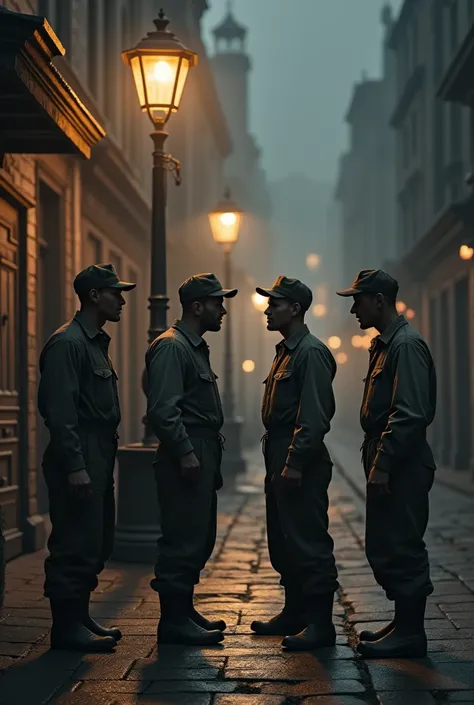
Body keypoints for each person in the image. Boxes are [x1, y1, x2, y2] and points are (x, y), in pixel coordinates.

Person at [337, 269, 436, 658]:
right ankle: (403, 622)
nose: (353, 309)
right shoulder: (386, 344)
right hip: (389, 456)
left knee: (402, 544)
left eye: (357, 300)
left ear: (379, 299)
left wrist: (384, 463)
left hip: (403, 462)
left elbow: (409, 412)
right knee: (386, 543)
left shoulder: (405, 345)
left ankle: (411, 633)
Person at [38, 263, 136, 652]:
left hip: (97, 451)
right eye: (116, 292)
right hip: (78, 452)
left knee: (96, 541)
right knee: (74, 542)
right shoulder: (69, 343)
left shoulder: (93, 341)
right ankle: (65, 628)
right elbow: (60, 413)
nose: (122, 300)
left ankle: (79, 616)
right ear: (95, 295)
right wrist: (76, 465)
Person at [146, 273, 238, 645]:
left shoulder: (192, 346)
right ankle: (173, 621)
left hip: (201, 450)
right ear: (197, 307)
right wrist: (185, 452)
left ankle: (183, 610)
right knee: (182, 536)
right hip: (186, 451)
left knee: (198, 536)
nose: (223, 310)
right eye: (217, 303)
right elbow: (163, 411)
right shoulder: (172, 347)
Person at [250, 275, 339, 651]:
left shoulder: (310, 353)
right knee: (284, 538)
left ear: (296, 309)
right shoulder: (285, 351)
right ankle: (295, 611)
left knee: (308, 539)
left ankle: (320, 623)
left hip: (298, 456)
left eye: (275, 304)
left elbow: (314, 416)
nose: (267, 310)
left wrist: (296, 461)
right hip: (279, 452)